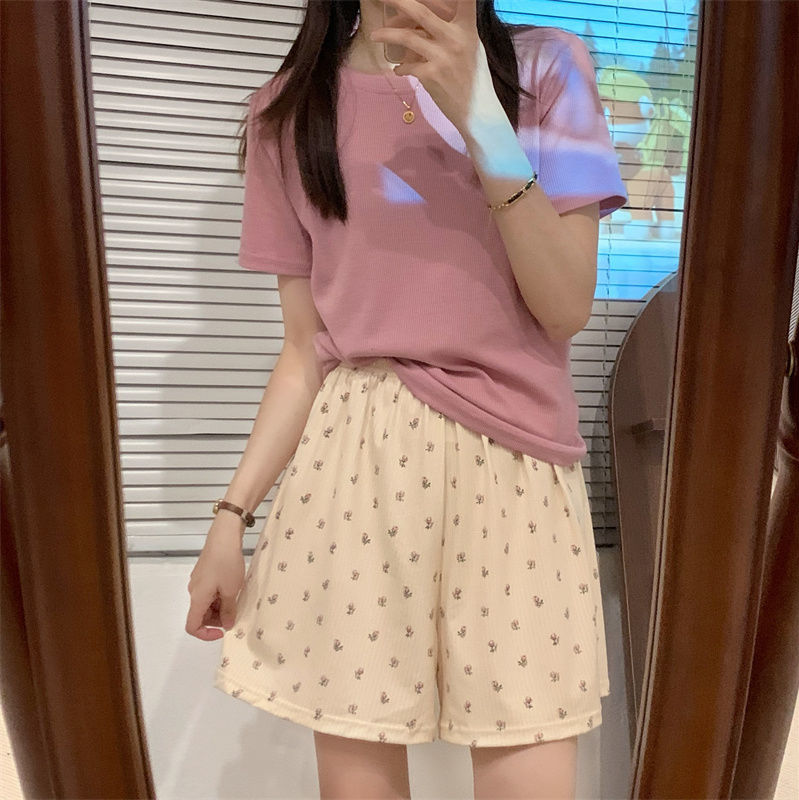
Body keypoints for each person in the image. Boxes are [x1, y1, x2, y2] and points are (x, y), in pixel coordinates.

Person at [186, 1, 627, 797]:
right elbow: (304, 350)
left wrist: (479, 114)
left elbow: (565, 306)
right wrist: (231, 516)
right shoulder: (291, 110)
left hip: (515, 467)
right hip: (355, 466)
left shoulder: (547, 69)